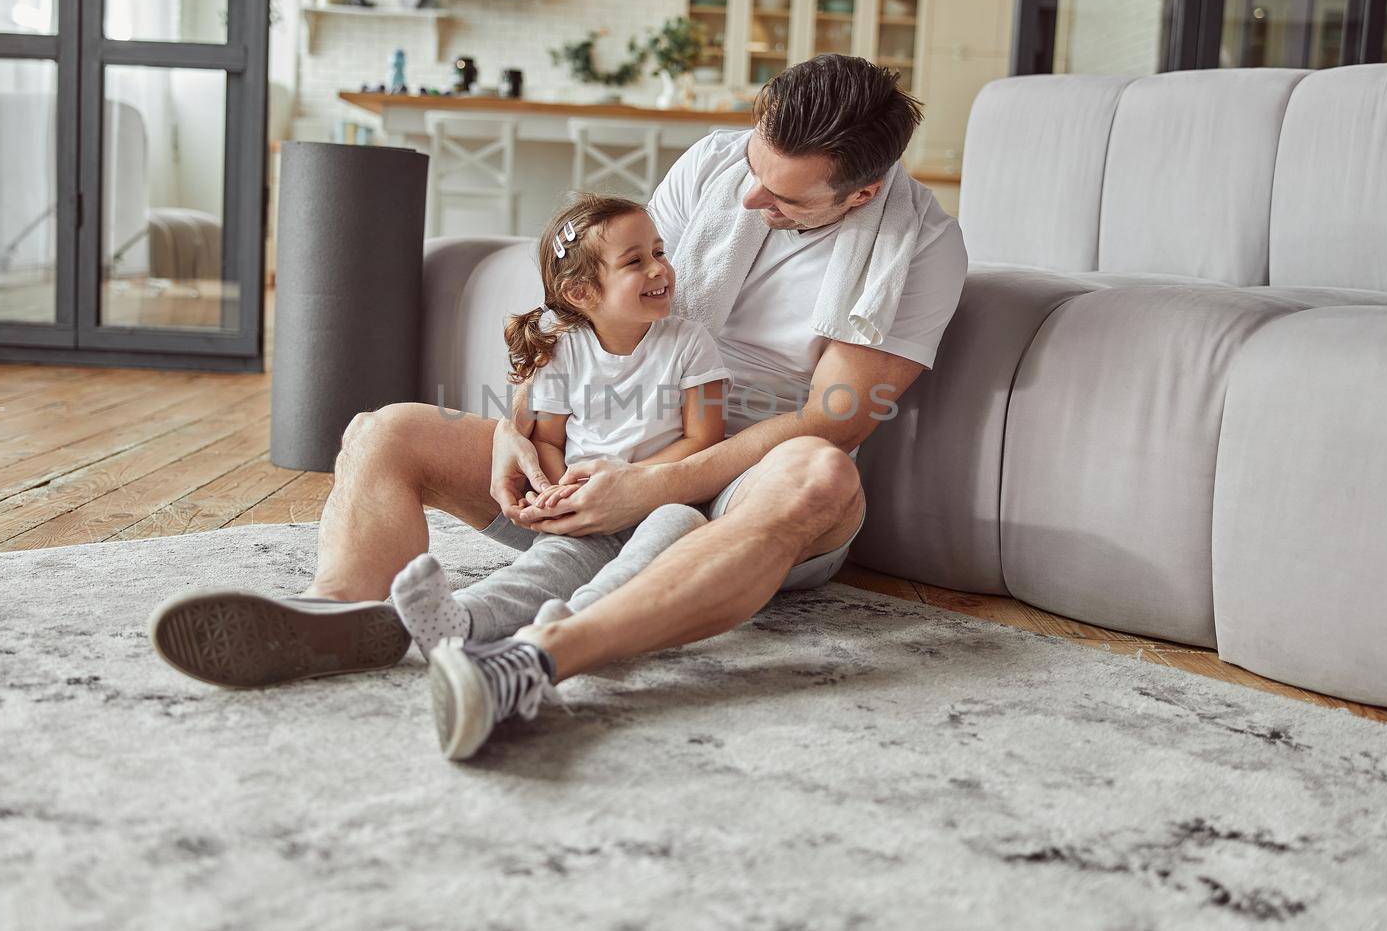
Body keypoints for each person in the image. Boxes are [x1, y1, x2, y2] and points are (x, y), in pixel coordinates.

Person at [149, 54, 969, 761]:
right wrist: (516, 427)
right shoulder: (717, 165)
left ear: (859, 196)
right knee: (386, 431)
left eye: (785, 198)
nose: (752, 197)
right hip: (612, 440)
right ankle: (344, 618)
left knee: (821, 474)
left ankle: (538, 656)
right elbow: (597, 310)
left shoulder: (919, 249)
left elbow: (836, 419)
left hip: (741, 488)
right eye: (754, 168)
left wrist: (653, 485)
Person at [390, 194, 730, 686]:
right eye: (636, 261)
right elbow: (547, 442)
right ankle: (461, 619)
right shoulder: (565, 350)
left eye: (660, 252)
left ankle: (577, 623)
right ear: (580, 292)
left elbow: (705, 439)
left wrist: (634, 481)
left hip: (662, 499)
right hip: (589, 509)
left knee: (677, 525)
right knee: (552, 563)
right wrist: (556, 491)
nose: (660, 270)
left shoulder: (689, 343)